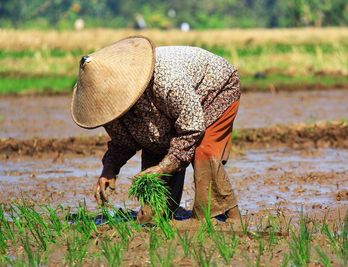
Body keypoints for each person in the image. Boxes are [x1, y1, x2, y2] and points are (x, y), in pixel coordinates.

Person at [71, 36, 241, 222]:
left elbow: (192, 128)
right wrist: (110, 169)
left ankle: (223, 217)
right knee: (154, 152)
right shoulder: (109, 107)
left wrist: (163, 167)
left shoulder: (167, 81)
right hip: (175, 110)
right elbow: (123, 142)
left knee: (203, 151)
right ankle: (163, 212)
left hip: (215, 88)